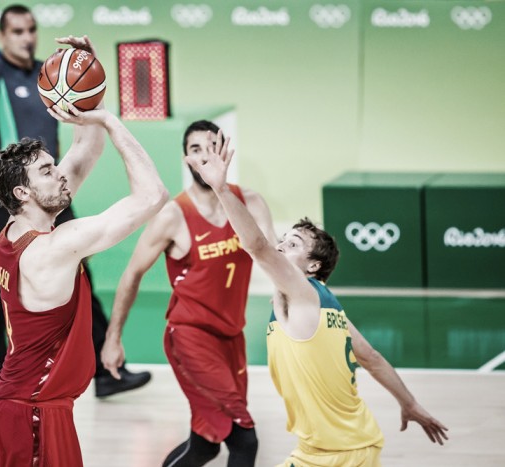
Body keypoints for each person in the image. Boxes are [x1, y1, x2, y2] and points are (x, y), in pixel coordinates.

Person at [187, 130, 449, 466]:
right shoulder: (326, 307)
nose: (282, 246)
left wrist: (221, 189)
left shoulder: (303, 292)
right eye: (284, 239)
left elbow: (257, 246)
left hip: (337, 455)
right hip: (342, 448)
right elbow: (372, 358)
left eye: (293, 244)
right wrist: (408, 403)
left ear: (313, 266)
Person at [0, 4, 151, 397]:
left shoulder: (51, 74)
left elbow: (84, 106)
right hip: (9, 194)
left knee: (78, 270)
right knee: (2, 277)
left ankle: (104, 370)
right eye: (16, 31)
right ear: (1, 36)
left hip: (48, 187)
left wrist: (86, 64)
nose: (26, 37)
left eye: (30, 29)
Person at [0, 94, 168, 465]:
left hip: (24, 404)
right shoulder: (54, 248)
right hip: (31, 410)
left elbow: (85, 151)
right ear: (23, 192)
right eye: (47, 171)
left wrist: (86, 94)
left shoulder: (13, 230)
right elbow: (153, 196)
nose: (60, 174)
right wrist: (112, 121)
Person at [101, 120, 277, 466]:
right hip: (191, 337)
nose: (204, 156)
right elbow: (132, 274)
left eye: (211, 146)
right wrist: (113, 337)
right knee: (245, 440)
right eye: (195, 149)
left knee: (205, 444)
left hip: (232, 337)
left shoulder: (250, 202)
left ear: (224, 151)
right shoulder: (173, 215)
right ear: (186, 160)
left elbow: (277, 262)